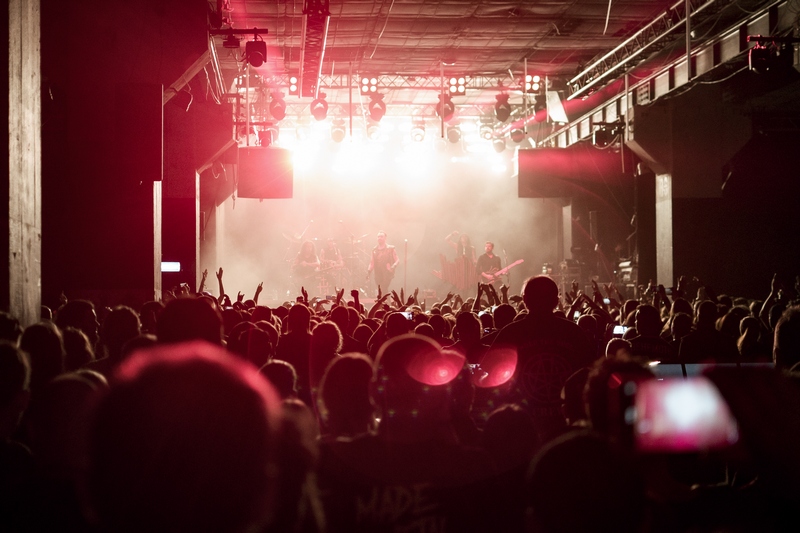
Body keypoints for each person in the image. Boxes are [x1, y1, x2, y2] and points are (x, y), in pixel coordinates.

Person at [366, 231, 398, 295]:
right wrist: (369, 272)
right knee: (381, 290)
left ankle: (386, 303)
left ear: (385, 238)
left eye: (381, 236)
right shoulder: (374, 250)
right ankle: (385, 303)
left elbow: (397, 260)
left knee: (383, 288)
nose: (379, 238)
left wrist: (393, 266)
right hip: (378, 272)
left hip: (387, 272)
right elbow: (372, 262)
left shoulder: (391, 248)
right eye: (378, 237)